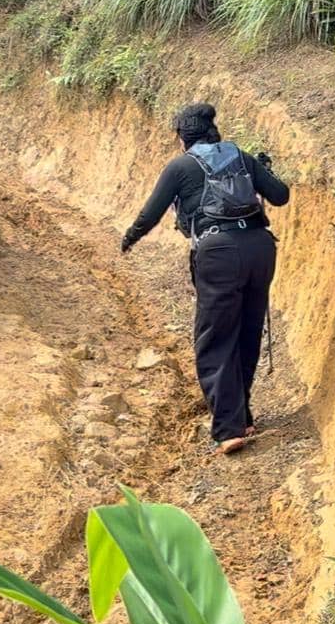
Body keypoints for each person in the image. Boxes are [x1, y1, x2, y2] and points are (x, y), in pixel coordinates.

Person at [121, 103, 289, 455]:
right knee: (246, 330)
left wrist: (129, 239)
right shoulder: (240, 156)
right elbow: (280, 195)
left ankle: (228, 429)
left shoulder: (181, 165)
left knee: (214, 338)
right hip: (260, 248)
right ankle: (241, 416)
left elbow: (150, 213)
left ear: (183, 137)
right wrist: (263, 169)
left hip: (218, 254)